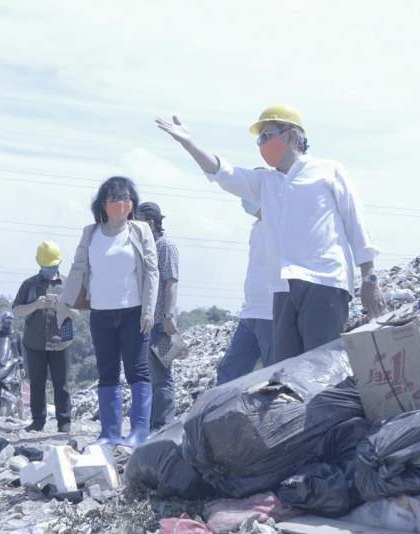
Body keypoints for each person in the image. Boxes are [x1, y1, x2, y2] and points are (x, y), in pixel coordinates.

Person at [157, 105, 383, 362]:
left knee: (322, 366)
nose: (262, 144)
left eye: (267, 135)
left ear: (292, 136)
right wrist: (189, 144)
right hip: (283, 287)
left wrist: (369, 278)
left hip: (325, 282)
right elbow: (222, 172)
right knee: (286, 370)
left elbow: (356, 223)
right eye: (260, 139)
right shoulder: (265, 182)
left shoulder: (329, 171)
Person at [59, 176, 159, 447]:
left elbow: (152, 271)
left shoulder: (139, 231)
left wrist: (149, 310)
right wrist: (64, 304)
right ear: (103, 203)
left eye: (127, 199)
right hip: (101, 313)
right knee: (107, 371)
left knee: (137, 370)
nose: (122, 204)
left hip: (134, 312)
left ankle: (139, 431)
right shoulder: (91, 233)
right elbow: (78, 267)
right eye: (116, 199)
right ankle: (110, 432)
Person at [12, 241, 79, 433]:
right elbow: (16, 310)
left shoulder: (67, 284)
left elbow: (76, 313)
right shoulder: (29, 285)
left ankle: (64, 421)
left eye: (52, 266)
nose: (49, 270)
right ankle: (38, 420)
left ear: (59, 263)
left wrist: (61, 306)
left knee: (61, 384)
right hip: (34, 341)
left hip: (61, 341)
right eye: (45, 267)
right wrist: (35, 305)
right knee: (37, 383)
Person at [215, 198, 275, 384]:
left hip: (271, 311)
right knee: (229, 371)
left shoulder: (279, 222)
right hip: (250, 311)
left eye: (248, 195)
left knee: (274, 372)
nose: (245, 202)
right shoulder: (257, 226)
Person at [135, 201, 179, 430]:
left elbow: (171, 282)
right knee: (148, 376)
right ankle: (152, 423)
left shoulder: (165, 247)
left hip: (161, 323)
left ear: (150, 222)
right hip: (145, 322)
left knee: (162, 375)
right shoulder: (146, 249)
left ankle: (163, 425)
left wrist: (169, 316)